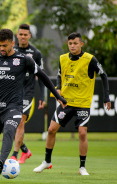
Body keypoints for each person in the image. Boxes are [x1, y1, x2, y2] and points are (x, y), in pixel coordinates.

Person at [0, 29, 67, 181]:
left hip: (14, 107)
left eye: (5, 45)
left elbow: (43, 77)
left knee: (9, 131)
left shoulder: (25, 59)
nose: (2, 49)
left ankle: (2, 161)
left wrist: (57, 96)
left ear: (13, 43)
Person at [33, 32, 111, 175]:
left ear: (81, 44)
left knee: (82, 133)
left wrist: (106, 97)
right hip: (66, 102)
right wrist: (58, 89)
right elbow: (59, 75)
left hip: (82, 103)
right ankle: (47, 162)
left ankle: (82, 167)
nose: (72, 46)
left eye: (75, 43)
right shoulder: (62, 58)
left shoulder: (90, 59)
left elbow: (104, 75)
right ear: (67, 44)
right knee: (51, 130)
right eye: (70, 43)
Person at [0, 24, 45, 164]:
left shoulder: (35, 54)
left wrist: (42, 96)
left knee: (19, 123)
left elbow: (42, 76)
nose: (23, 37)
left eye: (26, 34)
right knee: (9, 124)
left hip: (27, 93)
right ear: (16, 36)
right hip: (9, 92)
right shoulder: (9, 49)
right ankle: (25, 149)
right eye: (21, 34)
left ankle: (14, 154)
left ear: (30, 36)